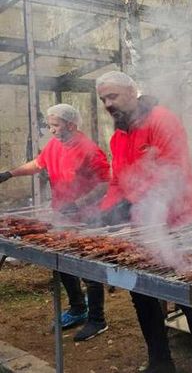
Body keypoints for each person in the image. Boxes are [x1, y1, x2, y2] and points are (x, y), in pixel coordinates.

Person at [95, 71, 192, 373]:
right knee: (142, 294)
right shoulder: (117, 136)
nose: (107, 103)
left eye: (112, 96)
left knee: (190, 295)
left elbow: (171, 175)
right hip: (143, 229)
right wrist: (107, 210)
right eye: (103, 99)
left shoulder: (161, 120)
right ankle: (160, 361)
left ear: (131, 91)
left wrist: (133, 206)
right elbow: (118, 181)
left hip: (180, 225)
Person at [0, 104, 110, 341]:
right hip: (61, 214)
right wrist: (10, 173)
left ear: (70, 125)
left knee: (88, 269)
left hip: (87, 217)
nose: (51, 130)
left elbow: (104, 183)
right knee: (60, 263)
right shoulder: (55, 145)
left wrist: (79, 204)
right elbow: (38, 164)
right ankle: (78, 308)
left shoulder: (89, 150)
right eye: (50, 125)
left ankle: (97, 320)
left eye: (55, 125)